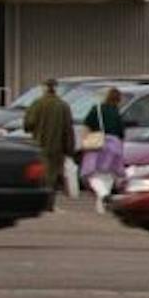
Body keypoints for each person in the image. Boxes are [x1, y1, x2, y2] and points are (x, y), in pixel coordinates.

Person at [23, 77, 76, 206]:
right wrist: (69, 148)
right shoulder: (64, 106)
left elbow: (28, 124)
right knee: (52, 175)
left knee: (40, 173)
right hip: (57, 147)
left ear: (44, 88)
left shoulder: (36, 104)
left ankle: (39, 201)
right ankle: (49, 202)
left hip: (39, 145)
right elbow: (68, 130)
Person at [79, 86, 129, 210]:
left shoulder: (97, 109)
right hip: (115, 145)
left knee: (92, 175)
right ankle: (102, 207)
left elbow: (86, 126)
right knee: (108, 176)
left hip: (99, 144)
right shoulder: (117, 112)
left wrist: (85, 141)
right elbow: (121, 134)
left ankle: (104, 195)